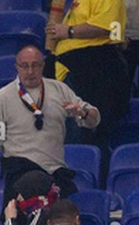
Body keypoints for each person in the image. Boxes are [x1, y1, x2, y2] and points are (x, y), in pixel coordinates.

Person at [0, 45, 100, 216]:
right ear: (16, 67)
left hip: (55, 175)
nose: (30, 71)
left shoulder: (59, 90)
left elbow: (94, 120)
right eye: (24, 66)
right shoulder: (2, 98)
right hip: (21, 177)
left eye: (35, 65)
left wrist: (82, 112)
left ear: (43, 66)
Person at [45, 0, 130, 154]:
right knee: (69, 130)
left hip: (94, 68)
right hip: (70, 66)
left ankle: (88, 170)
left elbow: (107, 26)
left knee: (86, 129)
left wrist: (69, 31)